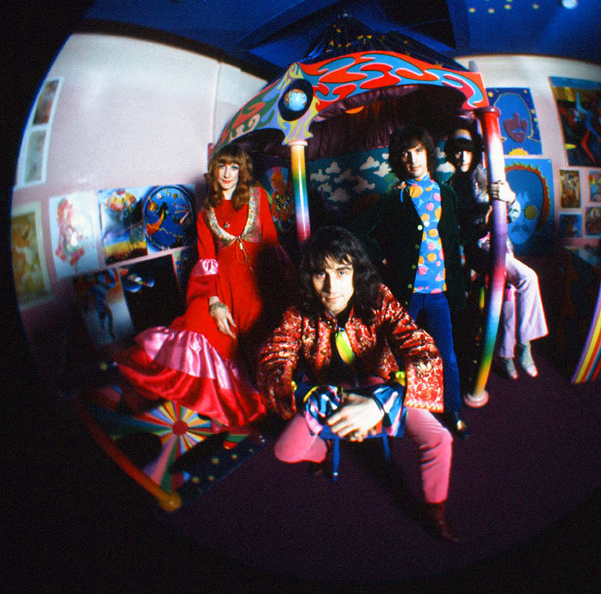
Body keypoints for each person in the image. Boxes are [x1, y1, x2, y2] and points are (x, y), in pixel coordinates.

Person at [255, 226, 458, 542]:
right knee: (285, 451)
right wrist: (312, 395)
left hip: (384, 389)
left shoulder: (379, 298)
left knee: (440, 439)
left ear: (355, 271)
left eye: (341, 271)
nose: (332, 285)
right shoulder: (299, 311)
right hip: (328, 394)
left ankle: (435, 512)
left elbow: (423, 350)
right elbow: (272, 360)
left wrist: (382, 401)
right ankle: (324, 453)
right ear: (308, 276)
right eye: (320, 274)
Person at [115, 143, 289, 429]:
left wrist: (286, 285)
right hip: (222, 288)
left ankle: (274, 405)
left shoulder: (258, 196)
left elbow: (272, 244)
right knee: (198, 327)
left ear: (242, 170)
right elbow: (207, 259)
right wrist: (215, 303)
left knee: (264, 343)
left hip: (260, 283)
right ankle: (160, 391)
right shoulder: (205, 212)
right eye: (222, 166)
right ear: (214, 170)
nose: (228, 173)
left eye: (234, 167)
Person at [353, 126, 470, 439]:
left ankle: (453, 408)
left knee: (447, 355)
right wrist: (382, 259)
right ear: (399, 160)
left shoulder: (446, 193)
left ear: (427, 153)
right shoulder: (395, 197)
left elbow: (458, 235)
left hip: (439, 293)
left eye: (417, 150)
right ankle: (396, 408)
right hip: (406, 294)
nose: (412, 158)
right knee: (393, 354)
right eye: (405, 153)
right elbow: (361, 231)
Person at [445, 125, 548, 379]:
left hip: (501, 246)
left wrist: (510, 198)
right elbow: (452, 229)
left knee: (510, 298)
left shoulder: (489, 177)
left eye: (467, 151)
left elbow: (513, 214)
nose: (462, 157)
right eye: (457, 152)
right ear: (450, 154)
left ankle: (509, 354)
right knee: (526, 279)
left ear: (475, 153)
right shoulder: (448, 186)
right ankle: (524, 343)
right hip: (477, 251)